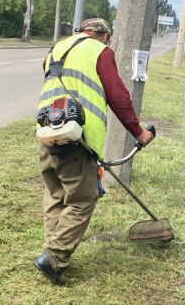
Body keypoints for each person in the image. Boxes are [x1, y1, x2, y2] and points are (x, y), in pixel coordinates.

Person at [34, 18, 154, 285]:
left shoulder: (58, 48)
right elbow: (119, 97)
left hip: (47, 131)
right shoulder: (101, 52)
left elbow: (45, 70)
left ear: (81, 32)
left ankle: (52, 254)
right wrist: (139, 132)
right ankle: (54, 256)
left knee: (56, 195)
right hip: (78, 139)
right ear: (105, 35)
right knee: (82, 199)